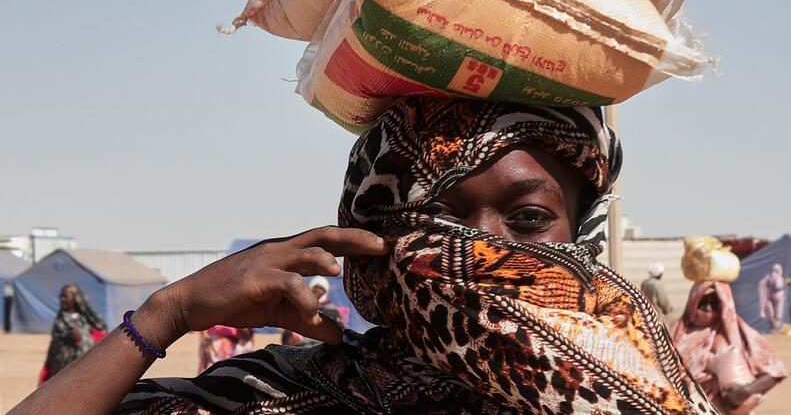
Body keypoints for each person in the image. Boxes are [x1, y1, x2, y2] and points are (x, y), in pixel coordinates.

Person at [13, 98, 713, 414]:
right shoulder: (284, 396)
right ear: (374, 243)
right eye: (434, 220)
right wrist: (167, 313)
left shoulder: (647, 388)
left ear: (581, 234)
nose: (477, 249)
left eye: (527, 219)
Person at [673, 281, 787, 414]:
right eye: (703, 303)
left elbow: (776, 372)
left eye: (715, 304)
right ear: (693, 302)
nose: (709, 309)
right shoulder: (678, 334)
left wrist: (744, 392)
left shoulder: (739, 333)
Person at [39, 284, 107, 383]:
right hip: (61, 370)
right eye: (61, 296)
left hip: (87, 369)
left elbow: (102, 339)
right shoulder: (60, 321)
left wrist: (82, 337)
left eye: (65, 296)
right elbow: (54, 347)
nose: (62, 299)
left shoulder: (91, 320)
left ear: (76, 298)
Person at [281, 276, 343, 347]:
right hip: (302, 346)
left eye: (321, 288)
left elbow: (339, 330)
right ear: (311, 287)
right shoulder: (301, 305)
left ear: (325, 291)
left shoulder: (331, 309)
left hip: (323, 345)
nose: (317, 290)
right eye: (316, 287)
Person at [757, 264, 785, 332]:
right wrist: (785, 285)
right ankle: (777, 328)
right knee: (778, 312)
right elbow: (778, 287)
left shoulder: (769, 277)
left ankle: (774, 327)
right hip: (779, 297)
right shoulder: (778, 277)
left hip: (771, 296)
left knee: (772, 313)